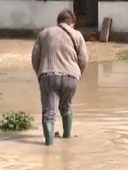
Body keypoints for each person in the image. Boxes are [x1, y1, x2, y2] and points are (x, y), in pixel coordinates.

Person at [31, 9, 89, 146]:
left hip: (48, 75)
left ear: (58, 22)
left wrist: (40, 74)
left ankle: (49, 145)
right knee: (66, 107)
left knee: (49, 112)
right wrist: (77, 74)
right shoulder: (78, 35)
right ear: (72, 24)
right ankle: (67, 138)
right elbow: (84, 59)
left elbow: (35, 59)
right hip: (71, 77)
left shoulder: (44, 33)